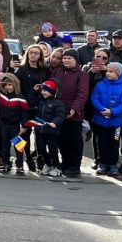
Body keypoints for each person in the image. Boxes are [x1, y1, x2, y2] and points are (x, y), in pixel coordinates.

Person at [51, 49, 89, 178]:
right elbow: (51, 87)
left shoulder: (82, 74)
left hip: (74, 114)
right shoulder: (57, 71)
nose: (66, 60)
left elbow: (82, 94)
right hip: (58, 112)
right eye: (65, 58)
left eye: (69, 58)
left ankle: (74, 165)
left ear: (76, 60)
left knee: (74, 140)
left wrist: (74, 108)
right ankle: (65, 163)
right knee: (62, 139)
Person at [0, 73, 29, 174]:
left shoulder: (21, 98)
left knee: (19, 145)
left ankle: (19, 164)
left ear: (15, 85)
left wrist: (24, 126)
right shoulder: (1, 95)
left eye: (10, 84)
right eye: (6, 85)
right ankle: (6, 163)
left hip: (15, 125)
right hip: (4, 124)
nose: (8, 87)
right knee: (4, 145)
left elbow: (25, 113)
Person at [91, 62, 122, 177]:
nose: (108, 73)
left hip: (116, 122)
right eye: (107, 71)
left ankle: (113, 164)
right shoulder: (100, 85)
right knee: (101, 143)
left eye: (111, 72)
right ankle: (102, 163)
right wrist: (102, 109)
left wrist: (112, 112)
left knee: (114, 143)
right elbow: (94, 98)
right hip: (101, 120)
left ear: (119, 74)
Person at [33, 80, 66, 176]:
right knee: (41, 148)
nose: (43, 92)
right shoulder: (40, 101)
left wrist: (54, 122)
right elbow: (31, 101)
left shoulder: (58, 103)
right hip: (40, 130)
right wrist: (34, 91)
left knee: (53, 150)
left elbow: (60, 115)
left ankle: (56, 166)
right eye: (42, 90)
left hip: (52, 130)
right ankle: (48, 164)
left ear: (53, 91)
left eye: (46, 90)